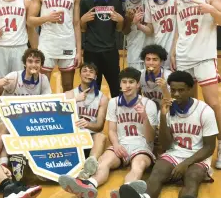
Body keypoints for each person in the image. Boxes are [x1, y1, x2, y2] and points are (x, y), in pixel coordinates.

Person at [58, 67, 158, 198]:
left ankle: (127, 191)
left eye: (131, 82)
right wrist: (116, 145)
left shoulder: (149, 104)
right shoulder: (114, 102)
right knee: (104, 161)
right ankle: (89, 185)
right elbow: (111, 130)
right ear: (120, 84)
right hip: (121, 144)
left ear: (138, 84)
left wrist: (144, 116)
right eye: (124, 82)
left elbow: (150, 138)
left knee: (138, 165)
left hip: (142, 146)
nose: (127, 85)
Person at [119, 71, 218, 198]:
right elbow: (165, 145)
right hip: (174, 153)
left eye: (181, 90)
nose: (176, 94)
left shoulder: (205, 111)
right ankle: (144, 197)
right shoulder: (167, 109)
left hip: (197, 155)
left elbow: (209, 148)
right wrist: (163, 116)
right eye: (173, 90)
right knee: (157, 172)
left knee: (192, 177)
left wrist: (186, 163)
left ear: (190, 89)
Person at [171, 0, 221, 169]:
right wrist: (173, 51)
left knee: (214, 103)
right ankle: (194, 149)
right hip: (183, 57)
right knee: (189, 106)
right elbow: (178, 29)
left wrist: (210, 9)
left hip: (203, 56)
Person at [0, 48, 52, 182]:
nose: (33, 65)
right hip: (4, 123)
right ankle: (5, 166)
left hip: (25, 123)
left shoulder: (43, 79)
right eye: (30, 61)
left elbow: (47, 105)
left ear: (41, 65)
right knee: (12, 131)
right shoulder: (14, 77)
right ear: (24, 63)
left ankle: (27, 165)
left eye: (37, 62)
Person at [27, 0, 82, 92]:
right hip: (48, 44)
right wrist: (47, 18)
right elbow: (30, 21)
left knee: (68, 86)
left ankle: (66, 114)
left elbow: (76, 24)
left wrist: (79, 51)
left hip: (67, 43)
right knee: (42, 86)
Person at [80, 0, 124, 97]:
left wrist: (121, 20)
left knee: (116, 88)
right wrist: (83, 20)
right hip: (91, 51)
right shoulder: (87, 1)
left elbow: (119, 29)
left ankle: (117, 116)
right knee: (92, 89)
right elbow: (82, 29)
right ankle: (91, 117)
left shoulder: (116, 0)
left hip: (110, 51)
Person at [64, 62, 109, 179]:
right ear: (80, 75)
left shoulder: (103, 98)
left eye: (91, 71)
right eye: (84, 70)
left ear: (95, 77)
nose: (87, 73)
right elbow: (58, 117)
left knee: (101, 136)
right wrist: (74, 100)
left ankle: (89, 167)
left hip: (90, 138)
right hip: (72, 136)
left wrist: (88, 124)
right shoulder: (69, 94)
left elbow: (99, 126)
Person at [134, 0, 177, 69]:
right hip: (160, 49)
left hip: (178, 48)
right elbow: (150, 30)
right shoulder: (149, 0)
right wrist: (138, 24)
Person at [119, 0, 152, 70]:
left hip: (152, 41)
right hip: (135, 45)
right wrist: (128, 20)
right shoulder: (123, 1)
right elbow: (125, 31)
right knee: (136, 80)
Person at [139, 44, 171, 110]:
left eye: (155, 60)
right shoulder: (139, 75)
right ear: (144, 61)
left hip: (165, 110)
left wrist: (164, 88)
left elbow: (171, 102)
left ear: (161, 61)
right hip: (148, 110)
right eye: (148, 59)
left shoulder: (169, 76)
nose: (151, 63)